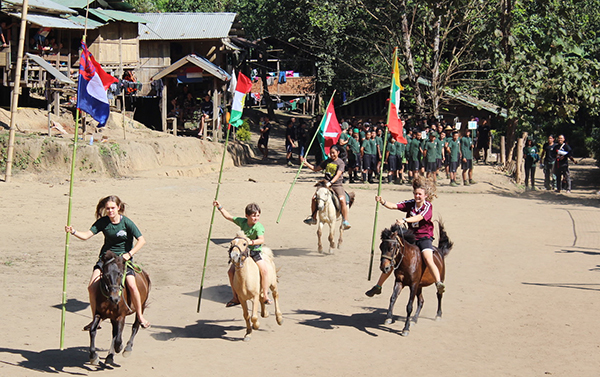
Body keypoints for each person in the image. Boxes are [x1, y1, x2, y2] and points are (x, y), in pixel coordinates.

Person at [64, 195, 150, 330]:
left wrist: (129, 254)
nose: (110, 211)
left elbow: (142, 240)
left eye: (112, 208)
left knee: (132, 286)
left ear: (119, 208)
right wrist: (73, 231)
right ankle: (95, 319)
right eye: (108, 208)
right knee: (91, 287)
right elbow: (86, 236)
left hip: (123, 260)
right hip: (106, 260)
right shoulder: (103, 222)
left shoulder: (127, 223)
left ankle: (140, 315)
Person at [366, 176, 445, 297]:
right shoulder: (410, 203)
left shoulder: (428, 206)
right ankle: (378, 286)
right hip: (411, 237)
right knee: (394, 257)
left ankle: (438, 283)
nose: (417, 196)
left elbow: (419, 217)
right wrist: (383, 201)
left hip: (424, 237)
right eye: (415, 194)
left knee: (428, 258)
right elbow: (395, 206)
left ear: (425, 196)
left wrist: (404, 220)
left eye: (420, 194)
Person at [213, 201, 272, 307]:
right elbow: (229, 217)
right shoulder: (242, 222)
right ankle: (235, 297)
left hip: (254, 252)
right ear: (247, 216)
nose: (256, 218)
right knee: (231, 272)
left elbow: (261, 240)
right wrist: (219, 207)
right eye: (253, 216)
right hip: (243, 253)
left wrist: (251, 242)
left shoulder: (258, 227)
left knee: (264, 270)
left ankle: (265, 295)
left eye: (257, 216)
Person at [301, 145, 351, 230]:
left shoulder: (340, 163)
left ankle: (345, 221)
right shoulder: (327, 161)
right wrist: (306, 163)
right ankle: (313, 218)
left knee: (342, 200)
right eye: (330, 153)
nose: (332, 155)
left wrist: (331, 183)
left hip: (336, 185)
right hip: (325, 184)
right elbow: (316, 168)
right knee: (314, 198)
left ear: (338, 152)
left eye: (333, 153)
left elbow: (338, 174)